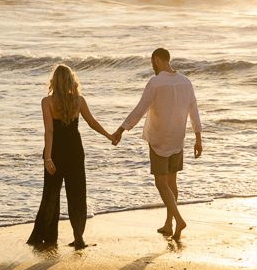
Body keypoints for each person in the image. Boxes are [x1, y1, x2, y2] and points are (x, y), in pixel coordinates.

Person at [113, 47, 202, 241]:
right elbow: (194, 110)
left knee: (161, 184)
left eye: (152, 62)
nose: (152, 65)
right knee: (172, 182)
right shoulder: (185, 82)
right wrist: (198, 138)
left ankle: (178, 220)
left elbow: (140, 109)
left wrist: (121, 129)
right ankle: (169, 224)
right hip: (178, 138)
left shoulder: (155, 82)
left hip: (159, 139)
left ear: (156, 59)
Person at [27, 63, 115, 249]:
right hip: (75, 151)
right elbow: (92, 122)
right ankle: (78, 236)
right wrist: (109, 136)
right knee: (77, 194)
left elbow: (49, 131)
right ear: (70, 80)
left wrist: (48, 158)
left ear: (53, 81)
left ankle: (48, 237)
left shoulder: (47, 102)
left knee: (51, 194)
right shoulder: (79, 100)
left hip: (56, 152)